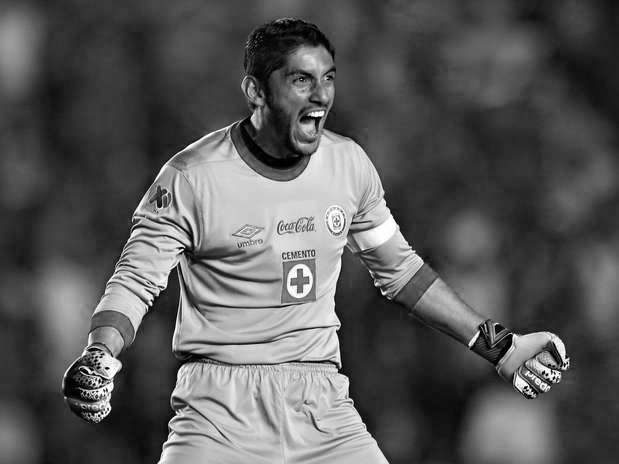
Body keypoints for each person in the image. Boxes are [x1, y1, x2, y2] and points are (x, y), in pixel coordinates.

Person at [62, 18, 570, 464]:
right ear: (256, 92)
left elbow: (402, 271)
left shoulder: (348, 165)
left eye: (327, 79)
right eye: (301, 80)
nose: (321, 95)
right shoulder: (192, 177)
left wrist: (501, 347)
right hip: (219, 411)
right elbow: (135, 278)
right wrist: (100, 354)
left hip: (323, 408)